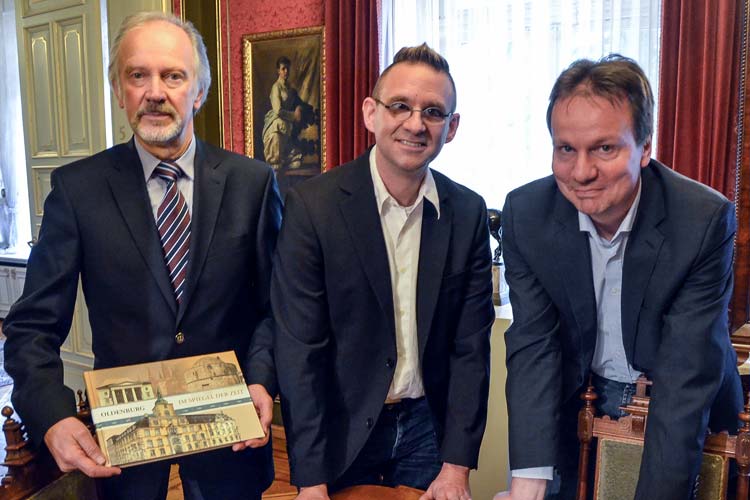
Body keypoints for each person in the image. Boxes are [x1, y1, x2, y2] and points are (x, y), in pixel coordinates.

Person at [3, 12, 282, 500]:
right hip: (122, 449)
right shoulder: (77, 191)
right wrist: (53, 416)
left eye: (173, 75)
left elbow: (276, 308)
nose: (155, 91)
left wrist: (261, 380)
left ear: (198, 92)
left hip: (229, 442)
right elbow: (29, 330)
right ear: (119, 90)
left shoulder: (253, 185)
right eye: (138, 75)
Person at [501, 54, 742, 500]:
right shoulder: (526, 215)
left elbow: (684, 379)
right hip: (583, 396)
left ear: (645, 147)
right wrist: (527, 480)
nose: (581, 172)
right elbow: (535, 346)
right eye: (566, 149)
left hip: (681, 403)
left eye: (604, 148)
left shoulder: (701, 221)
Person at [271, 43, 495, 500]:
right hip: (343, 428)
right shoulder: (313, 207)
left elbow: (469, 349)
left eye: (433, 112)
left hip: (427, 431)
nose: (415, 123)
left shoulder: (468, 212)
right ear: (371, 113)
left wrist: (456, 466)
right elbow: (300, 351)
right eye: (400, 106)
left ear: (451, 128)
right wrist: (310, 481)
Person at [262, 56, 306, 171]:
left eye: (287, 69)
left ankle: (285, 158)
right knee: (277, 133)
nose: (286, 71)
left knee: (296, 162)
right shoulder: (276, 87)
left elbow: (298, 102)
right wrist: (294, 116)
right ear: (278, 71)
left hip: (287, 124)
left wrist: (299, 108)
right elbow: (278, 110)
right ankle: (276, 159)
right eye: (283, 69)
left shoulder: (290, 89)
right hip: (276, 122)